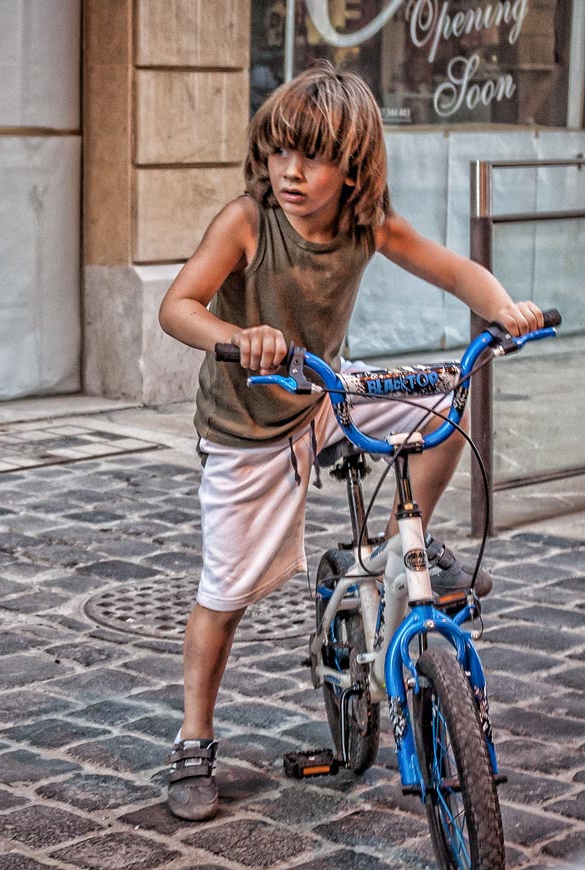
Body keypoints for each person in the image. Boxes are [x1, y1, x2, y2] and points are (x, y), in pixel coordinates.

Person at [157, 61, 544, 822]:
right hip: (252, 427)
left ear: (354, 168)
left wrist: (506, 311)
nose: (291, 172)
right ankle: (193, 740)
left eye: (314, 156)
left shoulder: (368, 225)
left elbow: (456, 270)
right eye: (279, 152)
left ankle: (410, 545)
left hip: (328, 395)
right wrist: (242, 339)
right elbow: (178, 306)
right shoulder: (248, 221)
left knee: (444, 403)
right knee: (225, 595)